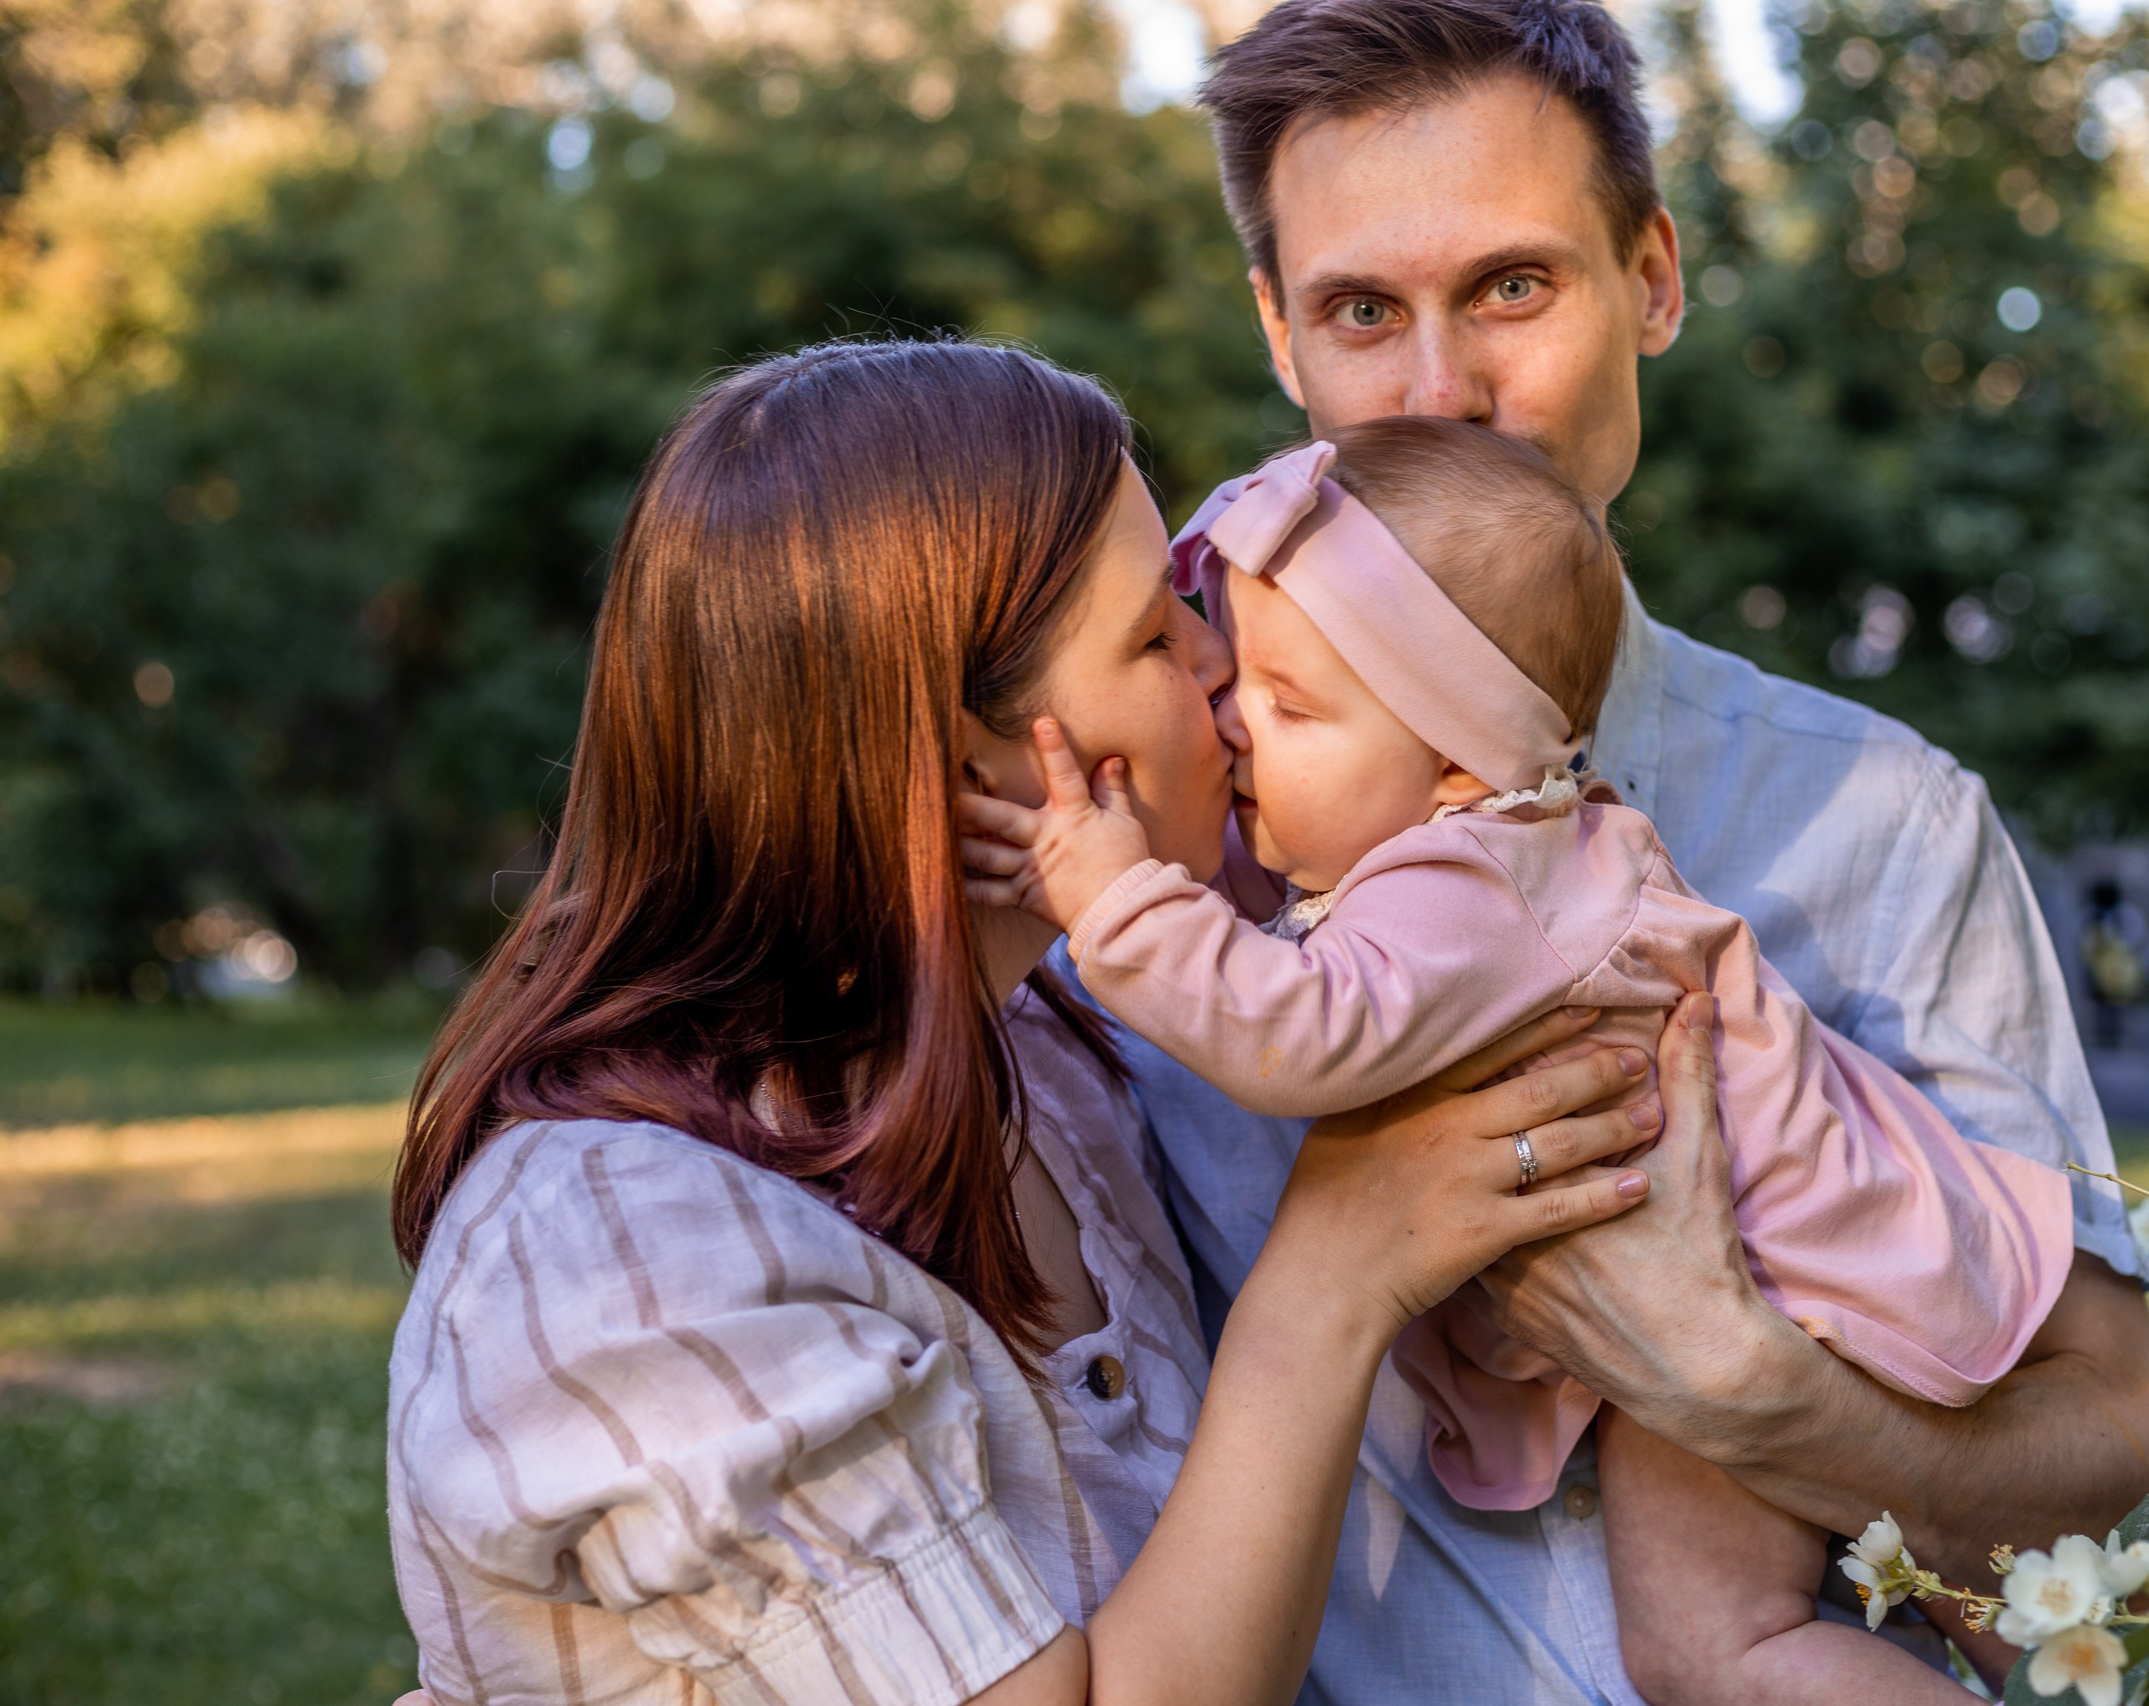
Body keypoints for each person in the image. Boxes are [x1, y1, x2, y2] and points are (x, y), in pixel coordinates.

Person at [1075, 2, 2149, 1697]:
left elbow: (2144, 1495)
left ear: (1655, 282)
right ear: (1277, 335)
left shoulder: (1885, 823)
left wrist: (1745, 1383)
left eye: (1512, 288)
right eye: (1362, 313)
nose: (1442, 394)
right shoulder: (1145, 833)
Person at [381, 338, 1663, 1705]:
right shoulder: (631, 1265)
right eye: (1158, 633)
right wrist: (1332, 1281)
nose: (1224, 660)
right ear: (969, 759)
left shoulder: (1044, 1051)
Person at [961, 417, 2073, 1705]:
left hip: (1775, 1287)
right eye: (1222, 672)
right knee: (1718, 1650)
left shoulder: (1471, 880)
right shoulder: (1474, 840)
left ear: (1451, 761)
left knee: (1735, 1653)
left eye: (1289, 704)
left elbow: (1300, 1029)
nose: (1232, 722)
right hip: (1724, 1303)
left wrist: (1108, 899)